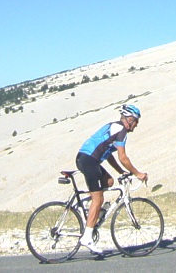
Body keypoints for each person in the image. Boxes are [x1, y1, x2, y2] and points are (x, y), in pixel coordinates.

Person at [75, 104, 148, 253]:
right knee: (98, 199)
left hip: (86, 158)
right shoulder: (121, 130)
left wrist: (121, 171)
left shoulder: (113, 126)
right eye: (136, 122)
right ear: (129, 120)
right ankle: (87, 237)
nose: (136, 125)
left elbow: (108, 154)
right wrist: (137, 173)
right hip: (89, 161)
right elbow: (123, 157)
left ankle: (93, 211)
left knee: (109, 181)